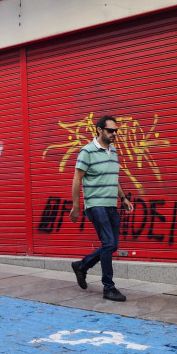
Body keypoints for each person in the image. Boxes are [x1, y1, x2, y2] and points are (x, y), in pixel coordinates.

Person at [69, 114, 134, 301]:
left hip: (111, 204)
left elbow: (114, 178)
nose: (114, 133)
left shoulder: (113, 151)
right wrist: (76, 206)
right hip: (96, 204)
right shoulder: (87, 151)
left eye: (116, 131)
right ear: (99, 130)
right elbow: (76, 179)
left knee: (113, 245)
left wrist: (123, 198)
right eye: (110, 130)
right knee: (108, 244)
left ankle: (82, 266)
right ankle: (109, 287)